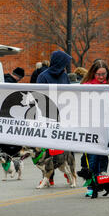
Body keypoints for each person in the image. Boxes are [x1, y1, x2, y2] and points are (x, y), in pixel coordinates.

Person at [36, 50, 72, 186]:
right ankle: (48, 176)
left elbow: (70, 93)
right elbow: (38, 96)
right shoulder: (43, 76)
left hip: (63, 116)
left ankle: (69, 173)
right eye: (64, 63)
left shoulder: (64, 75)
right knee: (47, 150)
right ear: (58, 62)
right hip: (47, 117)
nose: (66, 66)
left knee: (65, 147)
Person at [80, 59, 109, 196]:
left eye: (103, 74)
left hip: (106, 125)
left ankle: (101, 181)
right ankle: (91, 185)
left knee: (103, 155)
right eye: (98, 74)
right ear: (93, 73)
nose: (101, 77)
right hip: (91, 126)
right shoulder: (86, 85)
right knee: (92, 157)